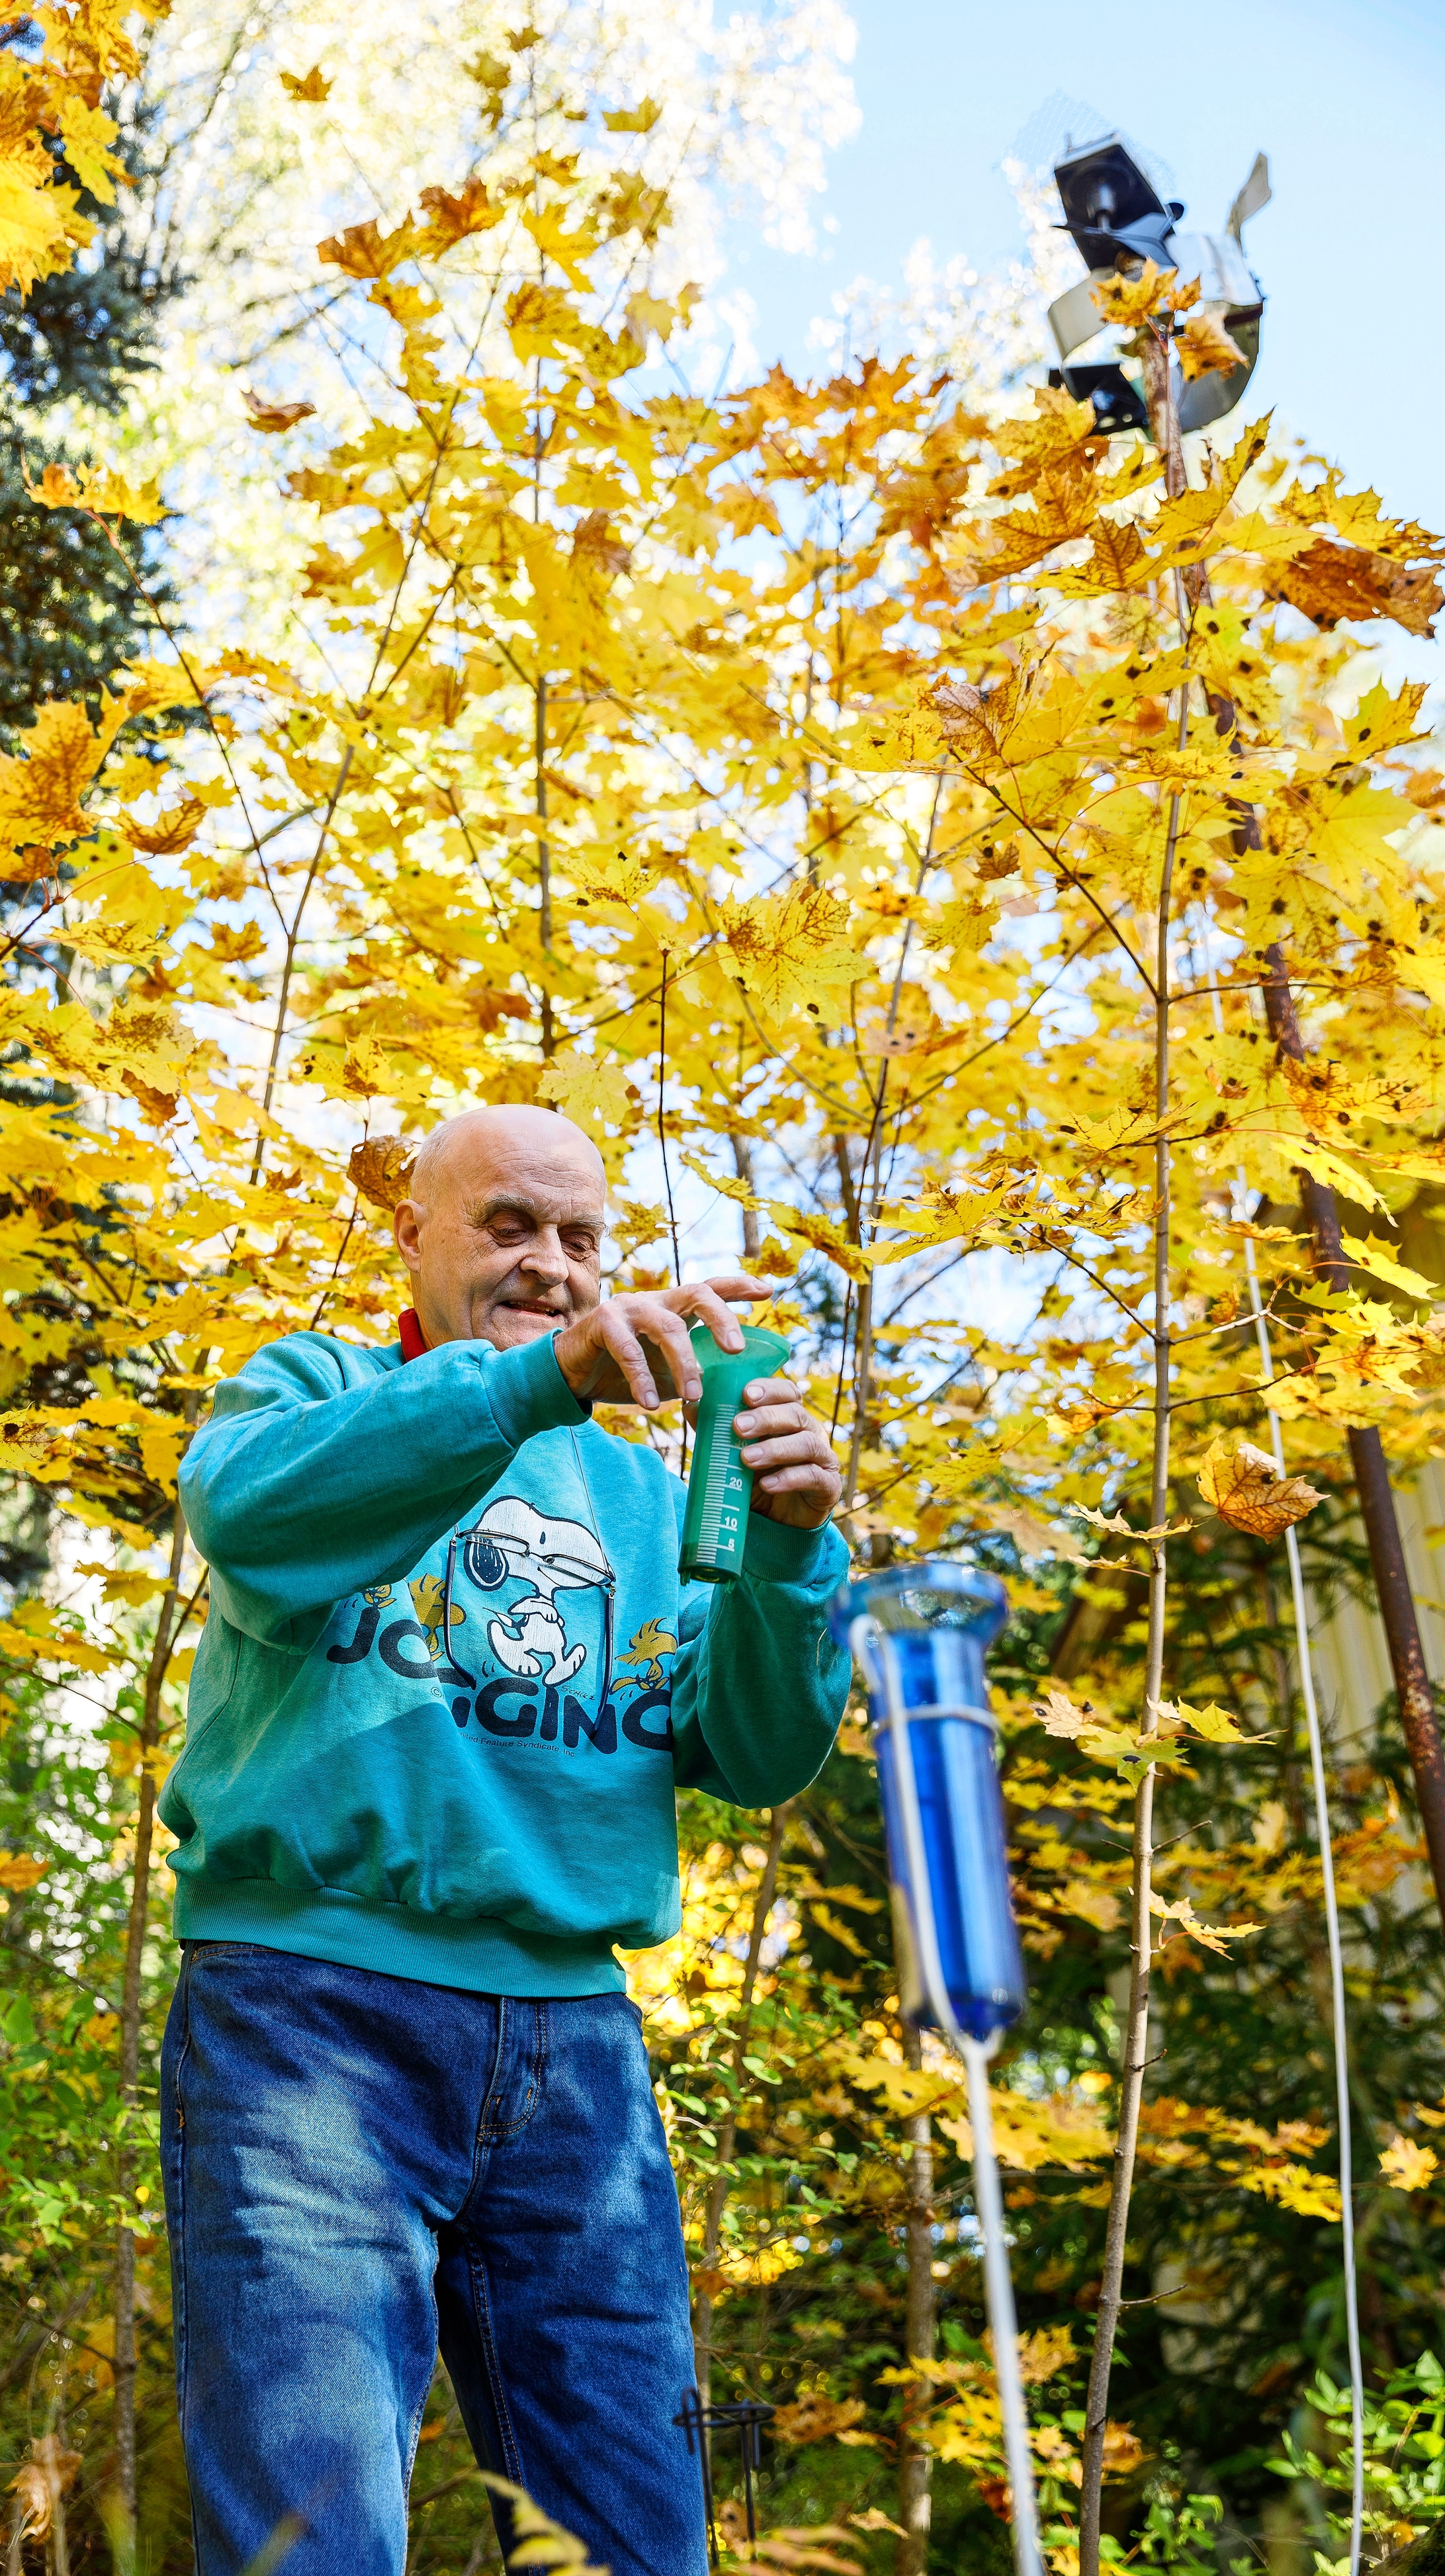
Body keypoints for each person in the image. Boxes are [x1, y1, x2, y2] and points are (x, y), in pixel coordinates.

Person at [161, 1104, 851, 2576]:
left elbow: (754, 1749)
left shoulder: (651, 1490)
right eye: (508, 1225)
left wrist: (793, 1546)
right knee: (310, 2535)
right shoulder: (318, 1387)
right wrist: (534, 1385)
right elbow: (246, 1513)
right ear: (410, 1234)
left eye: (582, 1238)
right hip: (307, 2022)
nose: (551, 1262)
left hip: (576, 2051)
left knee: (631, 2535)